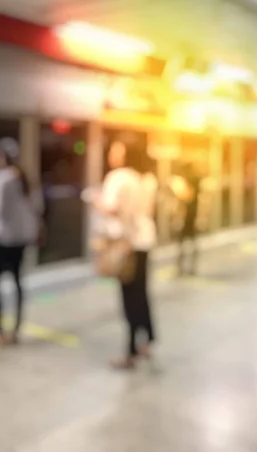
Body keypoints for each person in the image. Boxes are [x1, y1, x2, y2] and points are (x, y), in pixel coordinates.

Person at [97, 139, 157, 369]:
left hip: (126, 244)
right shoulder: (146, 179)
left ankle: (130, 350)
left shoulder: (118, 177)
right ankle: (147, 339)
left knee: (129, 296)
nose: (111, 153)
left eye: (115, 149)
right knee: (141, 293)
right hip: (145, 240)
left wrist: (95, 201)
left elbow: (111, 208)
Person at [0, 138, 39, 345]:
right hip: (21, 239)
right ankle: (17, 328)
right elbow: (35, 208)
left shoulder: (1, 178)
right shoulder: (23, 177)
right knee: (17, 282)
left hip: (3, 239)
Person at [174, 161, 201, 276]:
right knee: (189, 244)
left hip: (187, 218)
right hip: (191, 218)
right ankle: (188, 267)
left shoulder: (188, 184)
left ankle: (183, 267)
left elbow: (186, 198)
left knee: (183, 244)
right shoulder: (194, 183)